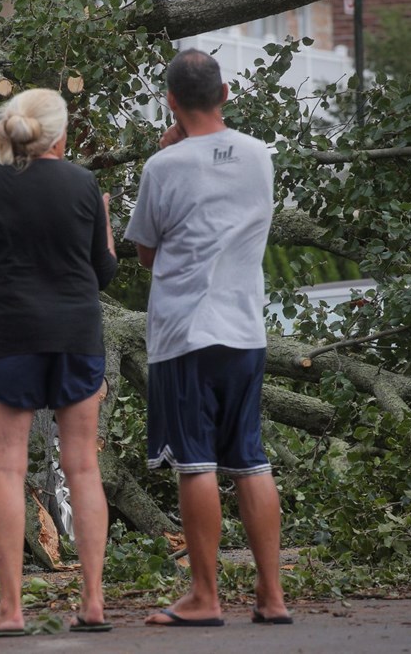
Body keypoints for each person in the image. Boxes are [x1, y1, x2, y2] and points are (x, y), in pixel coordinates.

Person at [124, 49, 292, 627]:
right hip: (245, 329)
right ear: (226, 94)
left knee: (195, 464)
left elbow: (145, 253)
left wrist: (170, 146)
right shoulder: (259, 155)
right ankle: (271, 597)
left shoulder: (162, 167)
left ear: (170, 101)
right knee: (250, 459)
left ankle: (205, 596)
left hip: (185, 331)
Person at [0, 88, 118, 636]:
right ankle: (92, 604)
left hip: (10, 336)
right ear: (60, 136)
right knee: (83, 467)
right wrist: (105, 225)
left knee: (7, 471)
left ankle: (11, 610)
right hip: (75, 336)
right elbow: (104, 274)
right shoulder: (84, 184)